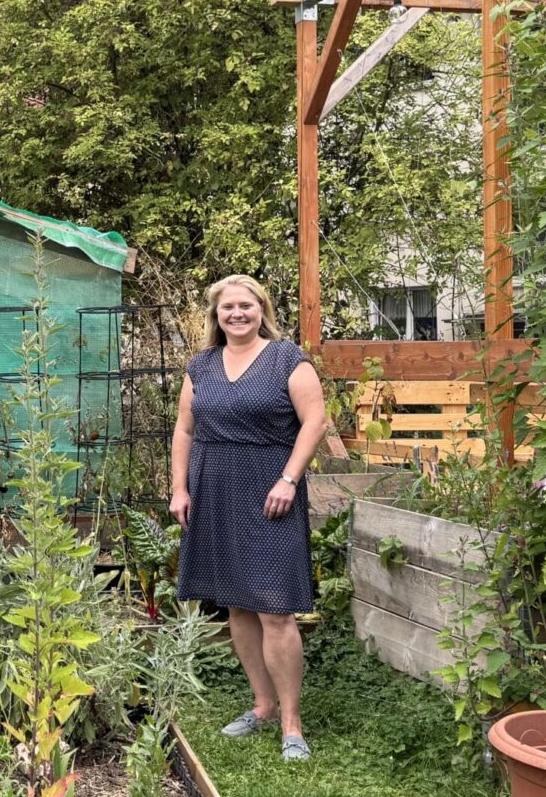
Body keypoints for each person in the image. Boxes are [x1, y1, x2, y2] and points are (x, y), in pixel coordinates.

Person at [169, 274, 329, 763]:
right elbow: (183, 429)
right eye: (227, 308)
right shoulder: (201, 366)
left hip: (268, 490)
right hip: (213, 489)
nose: (236, 314)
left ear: (262, 309)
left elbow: (315, 421)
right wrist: (178, 487)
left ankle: (292, 724)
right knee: (237, 605)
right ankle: (260, 706)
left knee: (275, 608)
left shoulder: (287, 359)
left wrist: (289, 479)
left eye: (246, 306)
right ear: (215, 316)